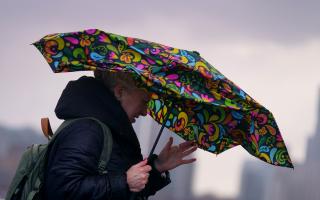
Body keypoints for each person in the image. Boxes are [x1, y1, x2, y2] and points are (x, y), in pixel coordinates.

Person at [42, 70, 197, 200]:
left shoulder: (110, 131)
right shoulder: (88, 130)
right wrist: (124, 181)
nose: (144, 112)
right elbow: (62, 190)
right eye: (144, 102)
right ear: (120, 92)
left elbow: (122, 194)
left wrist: (157, 167)